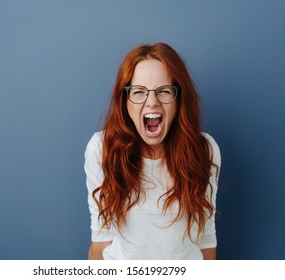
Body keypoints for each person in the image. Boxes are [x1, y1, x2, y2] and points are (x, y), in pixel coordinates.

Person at [84, 42, 221, 260]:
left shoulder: (204, 150)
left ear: (179, 99)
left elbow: (205, 239)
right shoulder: (101, 150)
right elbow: (101, 239)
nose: (152, 102)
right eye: (138, 92)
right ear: (125, 101)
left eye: (164, 91)